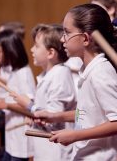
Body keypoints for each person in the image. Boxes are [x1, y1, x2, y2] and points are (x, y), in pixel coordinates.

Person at [34, 4, 117, 161]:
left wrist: (75, 135)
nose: (62, 38)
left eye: (67, 32)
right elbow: (89, 114)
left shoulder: (100, 72)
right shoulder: (89, 69)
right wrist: (55, 116)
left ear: (85, 38)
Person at [12, 24, 77, 161]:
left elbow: (53, 117)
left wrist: (29, 106)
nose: (31, 49)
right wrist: (33, 114)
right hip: (45, 149)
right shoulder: (50, 74)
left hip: (55, 153)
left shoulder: (60, 75)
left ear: (50, 53)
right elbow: (46, 109)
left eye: (36, 46)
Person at [0, 29, 36, 161]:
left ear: (10, 50)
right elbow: (11, 97)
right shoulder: (14, 72)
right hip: (12, 137)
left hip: (21, 140)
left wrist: (5, 104)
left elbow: (30, 109)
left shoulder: (23, 73)